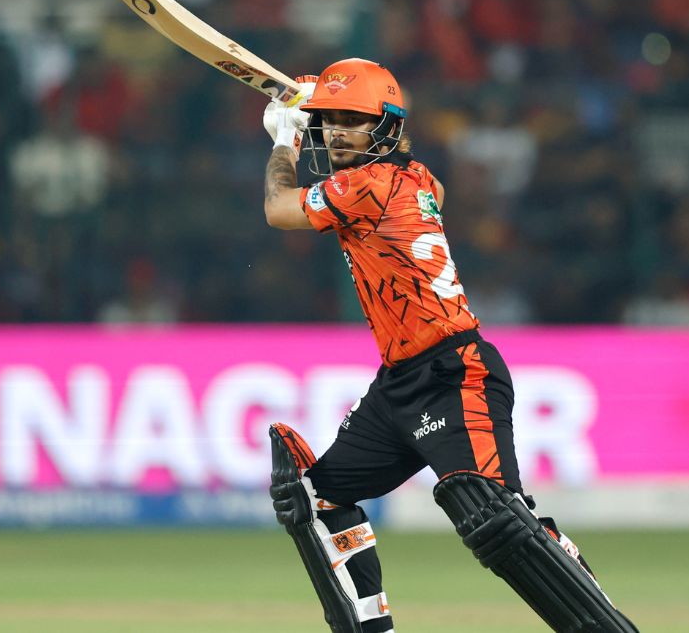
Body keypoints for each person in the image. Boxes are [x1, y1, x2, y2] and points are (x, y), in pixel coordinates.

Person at [260, 58, 639, 633]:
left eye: (352, 121)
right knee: (313, 499)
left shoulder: (368, 185)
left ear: (387, 127)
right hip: (398, 385)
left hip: (455, 373)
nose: (336, 133)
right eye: (330, 121)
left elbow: (277, 209)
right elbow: (420, 185)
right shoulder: (413, 176)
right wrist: (318, 112)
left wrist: (285, 141)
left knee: (496, 516)